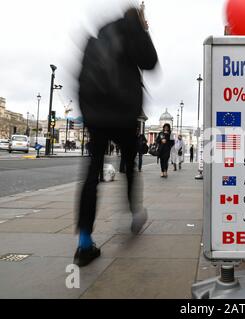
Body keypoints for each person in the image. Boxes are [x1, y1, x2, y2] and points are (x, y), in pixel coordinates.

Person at [75, 5, 158, 267]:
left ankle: (84, 242)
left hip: (95, 113)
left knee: (92, 173)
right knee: (130, 165)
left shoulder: (99, 37)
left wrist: (88, 115)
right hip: (122, 113)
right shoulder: (132, 32)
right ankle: (134, 211)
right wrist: (143, 30)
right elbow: (150, 61)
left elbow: (81, 77)